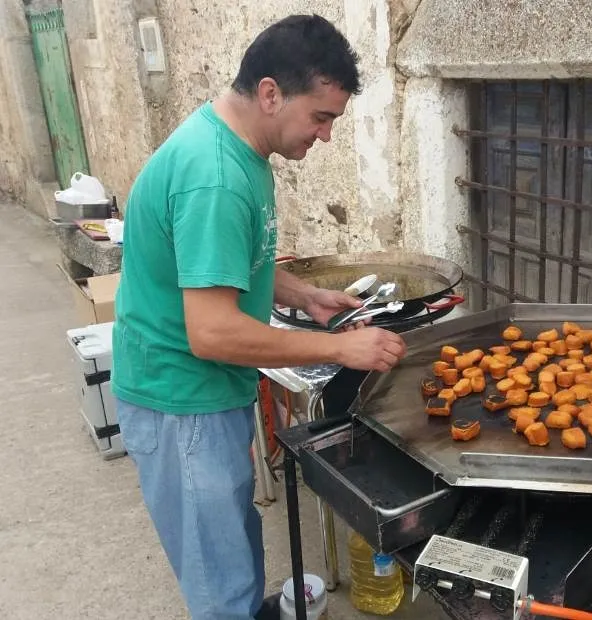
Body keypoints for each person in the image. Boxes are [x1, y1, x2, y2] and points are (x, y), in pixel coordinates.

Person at [111, 14, 407, 620]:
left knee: (231, 544)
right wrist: (339, 348)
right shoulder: (215, 178)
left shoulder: (238, 150)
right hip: (181, 402)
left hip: (203, 396)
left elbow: (227, 264)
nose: (326, 135)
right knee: (217, 579)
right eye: (320, 117)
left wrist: (304, 296)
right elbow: (213, 331)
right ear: (270, 93)